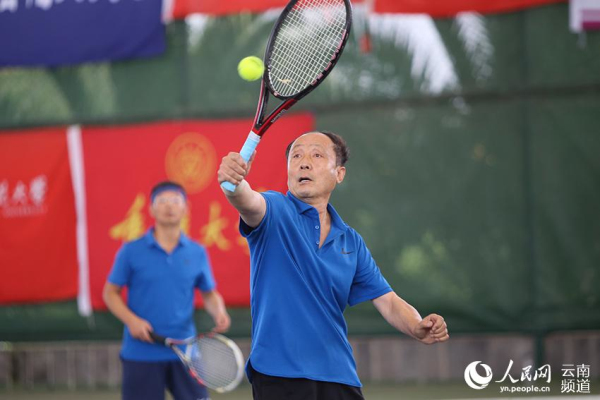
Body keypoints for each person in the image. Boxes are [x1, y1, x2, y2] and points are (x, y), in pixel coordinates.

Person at [217, 131, 449, 400]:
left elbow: (387, 300)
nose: (304, 163)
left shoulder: (351, 241)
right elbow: (246, 200)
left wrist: (416, 325)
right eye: (296, 156)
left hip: (339, 375)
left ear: (339, 173)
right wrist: (232, 181)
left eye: (316, 155)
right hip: (278, 374)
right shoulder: (275, 210)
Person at [103, 181, 230, 400]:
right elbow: (110, 293)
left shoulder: (197, 252)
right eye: (162, 201)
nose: (169, 206)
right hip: (141, 352)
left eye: (175, 201)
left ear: (185, 208)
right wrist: (132, 321)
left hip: (186, 352)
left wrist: (218, 311)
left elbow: (209, 294)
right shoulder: (131, 251)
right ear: (151, 209)